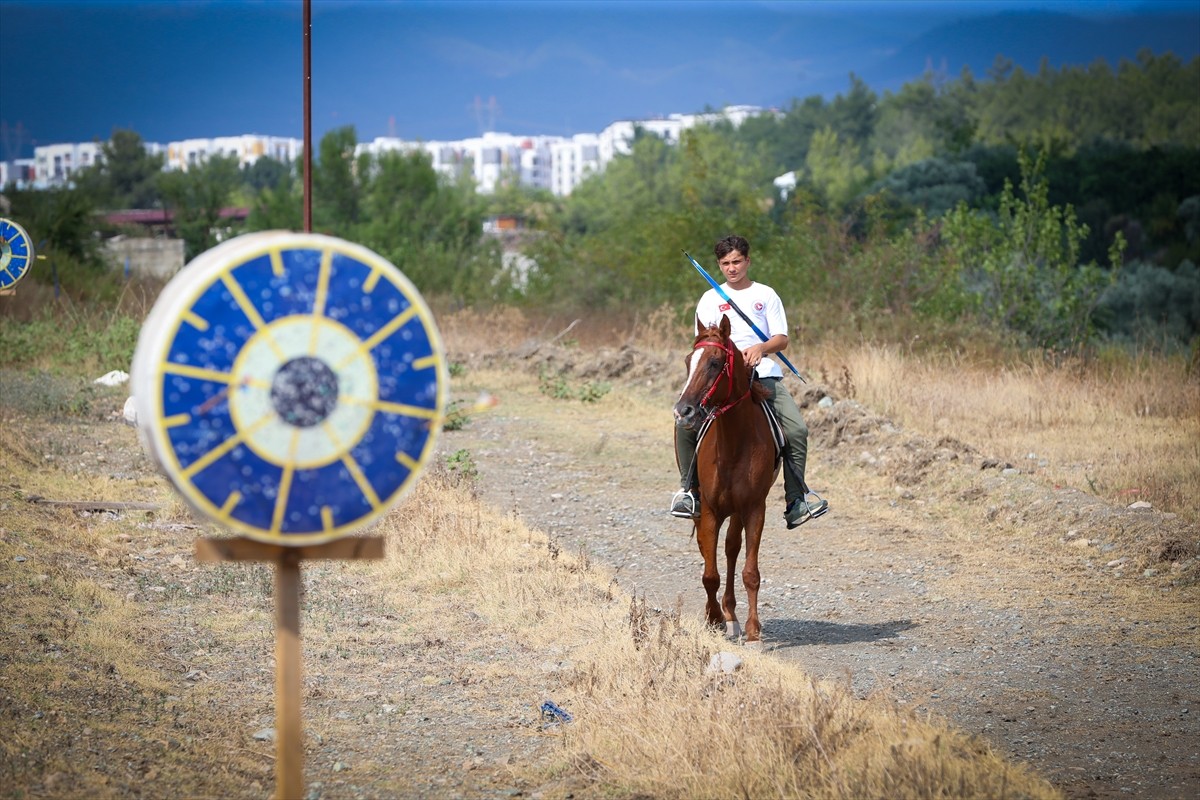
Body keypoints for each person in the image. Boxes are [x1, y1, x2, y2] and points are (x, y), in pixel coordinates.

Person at [670, 235, 829, 529]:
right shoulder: (709, 299)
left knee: (796, 430)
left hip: (762, 373)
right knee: (683, 420)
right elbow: (703, 341)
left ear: (747, 261)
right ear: (719, 265)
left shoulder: (766, 295)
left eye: (737, 262)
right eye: (725, 263)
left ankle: (796, 500)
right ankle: (689, 492)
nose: (732, 268)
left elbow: (781, 338)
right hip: (718, 376)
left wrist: (759, 348)